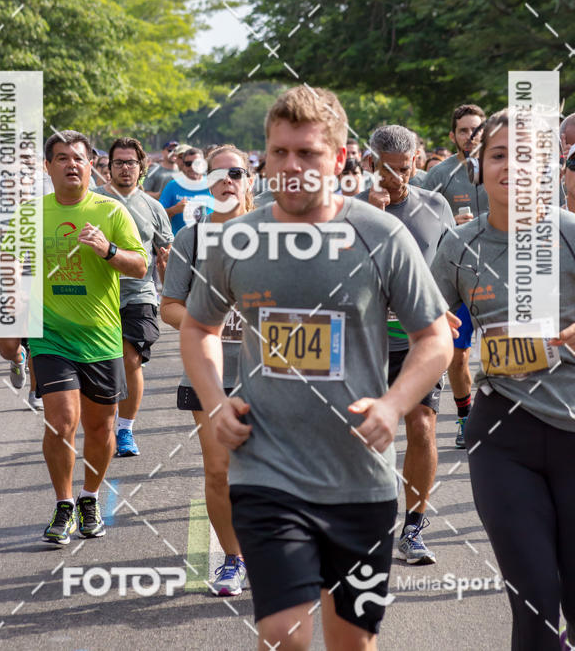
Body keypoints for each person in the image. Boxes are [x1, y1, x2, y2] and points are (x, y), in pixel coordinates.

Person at [180, 86, 454, 651]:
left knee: (351, 641)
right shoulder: (237, 239)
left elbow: (433, 338)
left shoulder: (381, 235)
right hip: (267, 471)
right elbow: (198, 327)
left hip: (359, 479)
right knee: (283, 633)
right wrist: (214, 400)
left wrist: (393, 405)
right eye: (279, 152)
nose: (291, 166)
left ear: (339, 158)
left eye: (307, 153)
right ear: (264, 157)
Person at [431, 109, 575, 651]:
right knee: (535, 602)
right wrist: (431, 327)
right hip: (502, 435)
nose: (511, 167)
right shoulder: (458, 245)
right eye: (498, 155)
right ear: (479, 165)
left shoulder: (569, 234)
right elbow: (423, 322)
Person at [25, 130, 147, 544]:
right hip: (50, 336)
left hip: (101, 337)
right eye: (61, 158)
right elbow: (12, 273)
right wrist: (10, 333)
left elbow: (140, 266)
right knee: (62, 422)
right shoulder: (31, 215)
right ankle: (63, 505)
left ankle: (89, 497)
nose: (71, 164)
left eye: (78, 157)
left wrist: (108, 250)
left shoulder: (110, 211)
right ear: (48, 166)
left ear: (91, 164)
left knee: (100, 428)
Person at [358, 125, 456, 565]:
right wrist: (368, 216)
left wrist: (451, 307)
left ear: (417, 160)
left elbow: (452, 265)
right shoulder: (347, 207)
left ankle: (413, 527)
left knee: (422, 426)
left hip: (418, 342)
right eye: (389, 169)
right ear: (370, 163)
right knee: (365, 436)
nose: (399, 177)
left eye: (407, 167)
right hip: (363, 342)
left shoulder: (435, 205)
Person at [161, 144, 254, 596]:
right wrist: (205, 324)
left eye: (235, 173)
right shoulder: (192, 239)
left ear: (249, 179)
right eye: (216, 175)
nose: (227, 181)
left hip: (269, 375)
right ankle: (234, 559)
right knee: (219, 471)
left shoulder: (279, 233)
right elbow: (169, 306)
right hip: (209, 374)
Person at [94, 137, 173, 457]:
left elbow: (165, 255)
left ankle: (125, 430)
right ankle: (103, 424)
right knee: (103, 364)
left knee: (131, 358)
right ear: (109, 167)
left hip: (139, 293)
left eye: (131, 162)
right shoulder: (93, 200)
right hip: (97, 294)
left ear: (143, 167)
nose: (125, 168)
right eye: (119, 162)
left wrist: (171, 297)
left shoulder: (153, 208)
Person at [422, 103, 488, 448]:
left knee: (508, 351)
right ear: (453, 135)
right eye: (463, 131)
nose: (470, 137)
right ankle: (465, 418)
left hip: (498, 275)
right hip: (458, 276)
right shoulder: (439, 175)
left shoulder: (500, 166)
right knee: (458, 354)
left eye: (476, 130)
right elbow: (423, 223)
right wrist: (451, 226)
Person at [159, 146, 214, 235]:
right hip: (179, 240)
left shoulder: (212, 185)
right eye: (188, 164)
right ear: (183, 166)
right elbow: (158, 215)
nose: (193, 167)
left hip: (207, 239)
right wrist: (174, 210)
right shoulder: (173, 185)